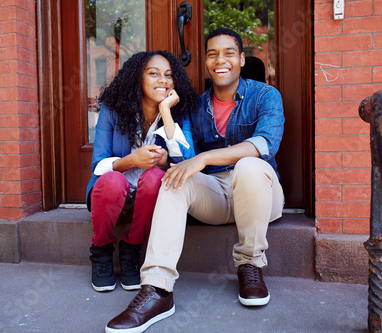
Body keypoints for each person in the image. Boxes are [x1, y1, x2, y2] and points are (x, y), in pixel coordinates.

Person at [105, 28, 285, 333]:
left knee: (249, 166)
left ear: (241, 59)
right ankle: (157, 289)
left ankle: (250, 264)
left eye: (228, 53)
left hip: (259, 193)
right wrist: (170, 145)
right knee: (173, 178)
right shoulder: (197, 106)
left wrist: (203, 158)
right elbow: (183, 157)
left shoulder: (265, 95)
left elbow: (265, 143)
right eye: (212, 54)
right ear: (206, 62)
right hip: (215, 194)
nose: (220, 60)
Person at [86, 50, 198, 293]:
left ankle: (131, 248)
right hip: (114, 197)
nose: (163, 81)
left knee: (158, 177)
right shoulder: (113, 110)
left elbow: (186, 162)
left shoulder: (178, 113)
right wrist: (130, 160)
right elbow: (98, 165)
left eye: (168, 75)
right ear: (138, 78)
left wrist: (166, 112)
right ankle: (102, 251)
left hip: (150, 201)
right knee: (112, 180)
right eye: (153, 74)